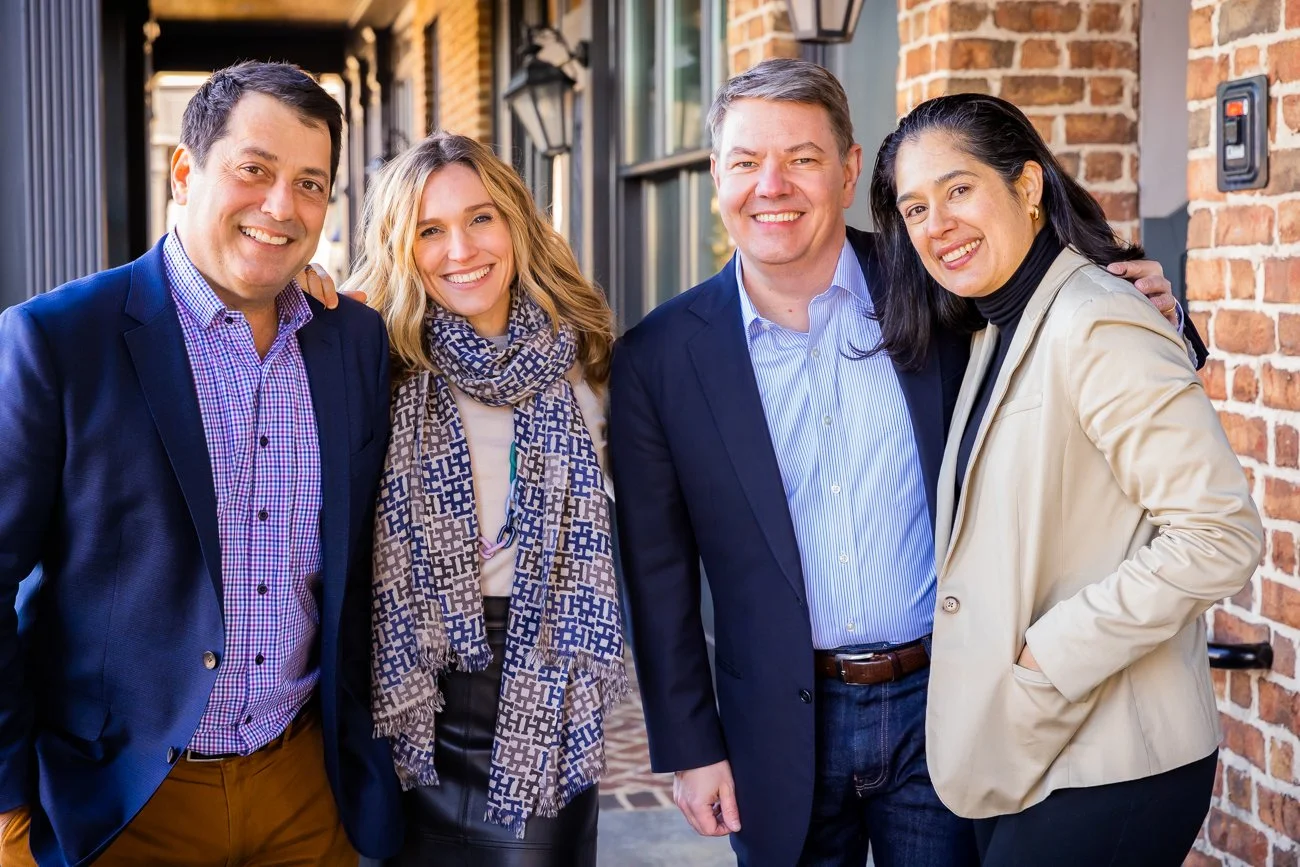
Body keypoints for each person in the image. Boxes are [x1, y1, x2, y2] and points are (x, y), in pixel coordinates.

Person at [608, 58, 1202, 867]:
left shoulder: (940, 283)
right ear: (717, 175)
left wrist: (1160, 308)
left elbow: (1071, 323)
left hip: (951, 700)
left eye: (803, 159)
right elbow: (657, 571)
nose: (771, 185)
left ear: (850, 171)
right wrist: (691, 745)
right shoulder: (659, 356)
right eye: (746, 161)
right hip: (780, 726)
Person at [0, 62, 402, 866]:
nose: (281, 207)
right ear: (185, 173)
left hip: (304, 786)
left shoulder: (352, 341)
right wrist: (9, 800)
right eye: (253, 170)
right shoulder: (58, 340)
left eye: (310, 184)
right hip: (119, 800)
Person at [868, 92, 1261, 867]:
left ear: (1027, 186)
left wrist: (1049, 656)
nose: (936, 224)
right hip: (1035, 746)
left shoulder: (1096, 319)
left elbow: (1221, 534)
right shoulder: (997, 328)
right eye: (914, 208)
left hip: (1113, 756)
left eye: (958, 189)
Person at [341, 132, 624, 867]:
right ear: (403, 247)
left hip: (543, 678)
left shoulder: (588, 358)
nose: (459, 248)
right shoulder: (377, 359)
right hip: (407, 688)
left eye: (480, 218)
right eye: (429, 230)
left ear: (516, 222)